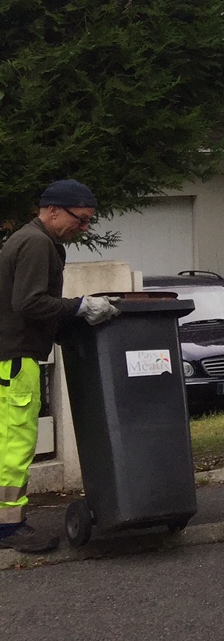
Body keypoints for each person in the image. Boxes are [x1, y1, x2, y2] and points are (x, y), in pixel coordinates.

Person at [0, 180, 120, 553]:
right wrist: (79, 306)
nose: (83, 229)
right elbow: (29, 302)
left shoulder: (28, 239)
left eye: (87, 222)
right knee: (14, 447)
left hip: (9, 357)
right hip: (16, 360)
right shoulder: (36, 243)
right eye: (80, 220)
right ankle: (8, 529)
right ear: (52, 210)